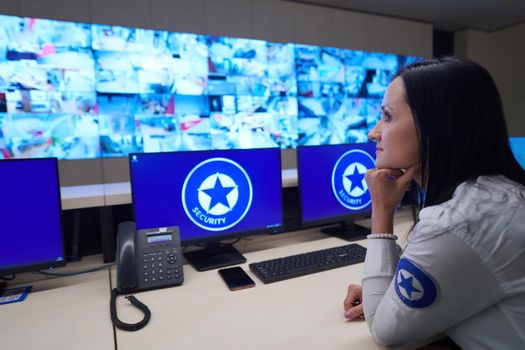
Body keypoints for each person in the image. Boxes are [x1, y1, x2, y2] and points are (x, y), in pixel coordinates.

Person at [343, 57, 525, 349]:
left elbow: (385, 329)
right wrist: (386, 289)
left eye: (388, 117)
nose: (373, 132)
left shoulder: (458, 221)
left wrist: (382, 210)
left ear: (434, 127)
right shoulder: (500, 193)